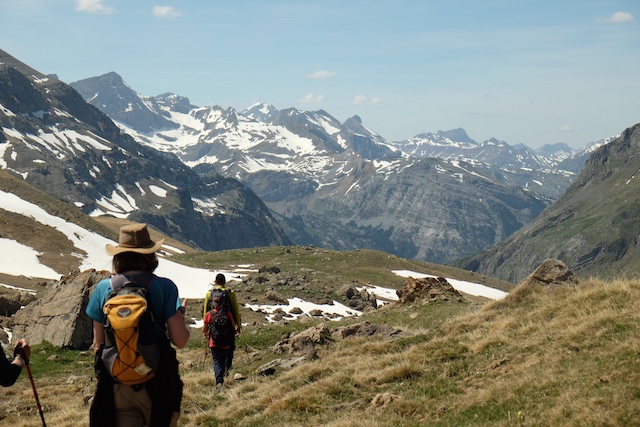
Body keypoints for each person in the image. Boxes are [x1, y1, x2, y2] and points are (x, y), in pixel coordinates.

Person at [86, 223, 190, 427]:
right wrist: (181, 315)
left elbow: (98, 345)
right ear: (150, 256)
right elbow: (180, 340)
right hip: (157, 381)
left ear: (118, 257)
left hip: (117, 383)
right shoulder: (165, 287)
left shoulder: (102, 289)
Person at [203, 273, 241, 373]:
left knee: (215, 346)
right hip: (229, 324)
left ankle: (218, 370)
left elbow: (206, 311)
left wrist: (206, 327)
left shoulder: (209, 293)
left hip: (214, 325)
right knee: (230, 347)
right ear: (224, 282)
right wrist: (238, 325)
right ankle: (227, 369)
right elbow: (235, 310)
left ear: (215, 282)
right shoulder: (230, 293)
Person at [202, 293, 236, 390]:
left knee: (217, 362)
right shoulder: (227, 313)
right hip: (226, 342)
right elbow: (233, 325)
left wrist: (208, 335)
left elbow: (204, 330)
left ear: (213, 303)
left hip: (214, 342)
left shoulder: (209, 314)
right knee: (223, 360)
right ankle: (223, 377)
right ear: (223, 303)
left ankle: (219, 382)